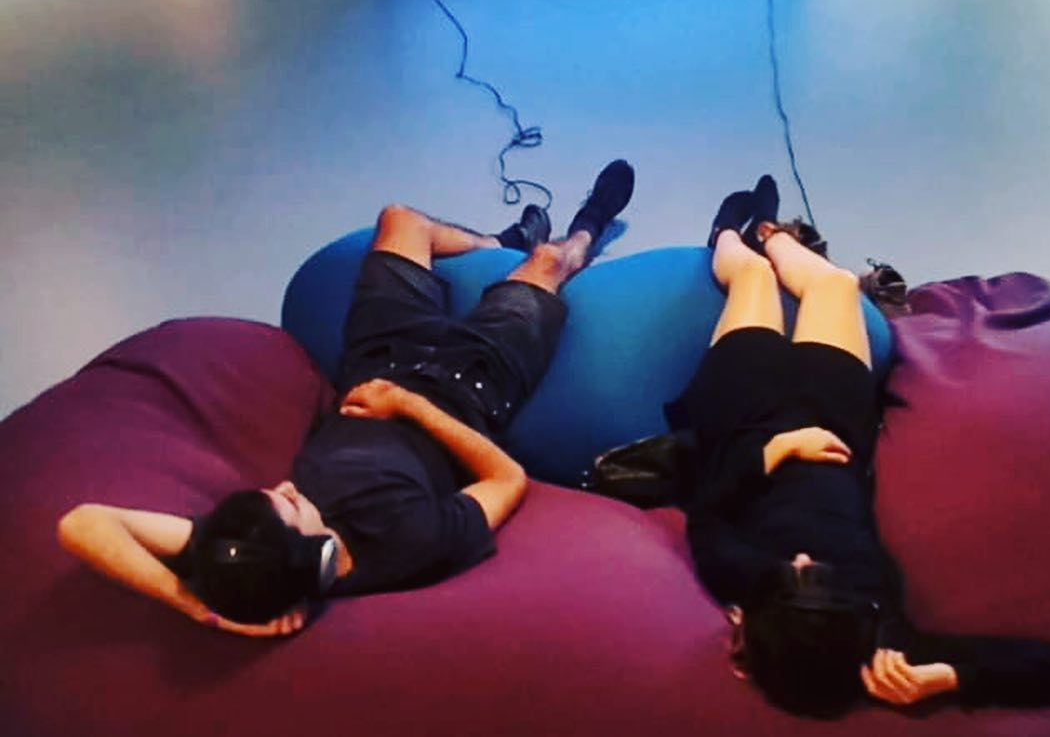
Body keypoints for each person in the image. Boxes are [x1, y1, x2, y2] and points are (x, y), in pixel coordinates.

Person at [57, 160, 635, 638]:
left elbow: (82, 524)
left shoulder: (245, 547)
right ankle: (587, 227)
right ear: (319, 560)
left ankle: (499, 244)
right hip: (466, 389)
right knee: (549, 265)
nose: (285, 488)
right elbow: (507, 479)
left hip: (375, 363)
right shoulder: (406, 542)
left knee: (400, 221)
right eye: (290, 506)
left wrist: (197, 608)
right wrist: (407, 407)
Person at [667, 175, 1050, 718]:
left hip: (746, 422)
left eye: (792, 573)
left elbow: (706, 512)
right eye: (818, 575)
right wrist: (953, 676)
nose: (802, 558)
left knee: (753, 280)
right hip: (833, 420)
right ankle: (774, 233)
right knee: (837, 287)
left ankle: (729, 232)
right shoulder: (882, 637)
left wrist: (771, 454)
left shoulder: (743, 576)